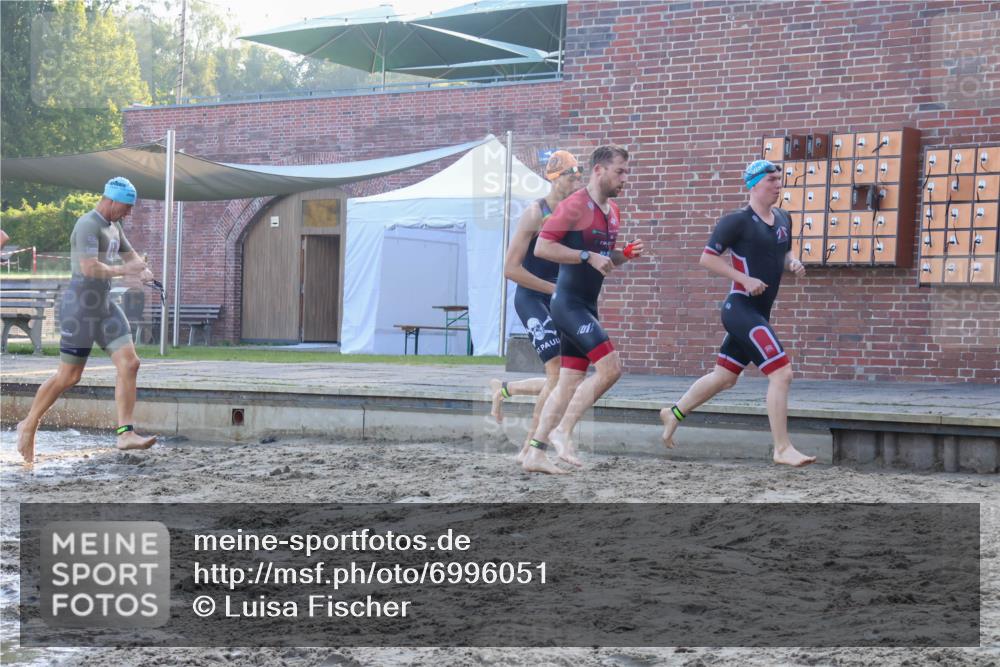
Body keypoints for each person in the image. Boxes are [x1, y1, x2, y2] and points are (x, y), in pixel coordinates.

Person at [659, 159, 816, 467]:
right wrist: (744, 279)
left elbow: (783, 252)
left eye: (779, 179)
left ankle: (673, 412)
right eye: (771, 179)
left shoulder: (784, 218)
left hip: (759, 311)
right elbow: (707, 259)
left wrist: (793, 263)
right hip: (740, 308)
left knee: (724, 377)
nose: (778, 184)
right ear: (754, 184)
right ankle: (782, 448)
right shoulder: (736, 222)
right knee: (782, 373)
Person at [16, 177, 158, 463]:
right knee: (69, 376)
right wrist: (126, 271)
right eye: (127, 206)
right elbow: (89, 268)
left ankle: (125, 433)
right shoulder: (87, 225)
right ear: (111, 200)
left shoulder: (114, 226)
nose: (129, 212)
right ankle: (29, 423)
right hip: (79, 308)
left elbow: (130, 256)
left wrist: (142, 270)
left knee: (130, 363)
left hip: (104, 306)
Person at [522, 145, 644, 474]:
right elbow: (543, 246)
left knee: (569, 381)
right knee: (610, 369)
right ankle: (563, 431)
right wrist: (586, 257)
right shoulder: (575, 205)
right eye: (620, 171)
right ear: (599, 170)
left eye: (626, 172)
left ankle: (535, 451)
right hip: (568, 304)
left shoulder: (613, 211)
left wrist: (623, 255)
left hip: (586, 304)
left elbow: (604, 259)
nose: (625, 179)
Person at [488, 151, 583, 472]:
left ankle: (504, 390)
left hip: (557, 298)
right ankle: (531, 448)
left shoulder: (575, 215)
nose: (578, 181)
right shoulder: (534, 213)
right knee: (557, 372)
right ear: (555, 179)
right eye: (572, 175)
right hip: (531, 296)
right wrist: (554, 289)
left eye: (579, 175)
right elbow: (510, 270)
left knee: (562, 376)